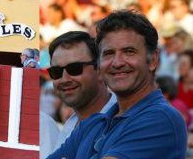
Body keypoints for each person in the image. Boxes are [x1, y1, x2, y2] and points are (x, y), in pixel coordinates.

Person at [47, 10, 187, 159]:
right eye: (108, 53)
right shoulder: (92, 124)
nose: (117, 62)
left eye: (129, 51)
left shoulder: (161, 119)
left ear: (153, 60)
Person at [46, 31, 116, 153]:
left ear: (100, 71)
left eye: (75, 69)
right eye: (56, 72)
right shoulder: (68, 128)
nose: (64, 79)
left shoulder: (127, 120)